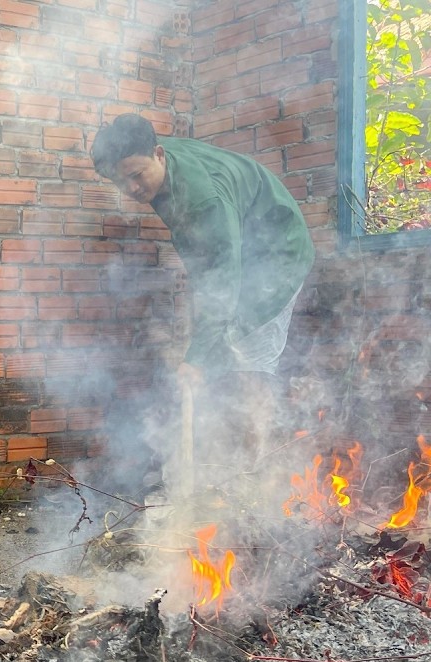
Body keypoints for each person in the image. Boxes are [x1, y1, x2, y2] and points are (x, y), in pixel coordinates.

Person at [91, 113, 316, 475]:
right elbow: (209, 265)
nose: (131, 189)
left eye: (135, 175)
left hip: (277, 256)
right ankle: (224, 464)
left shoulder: (202, 201)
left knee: (251, 359)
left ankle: (257, 477)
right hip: (239, 244)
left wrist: (195, 358)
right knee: (218, 351)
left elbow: (223, 285)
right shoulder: (156, 166)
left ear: (159, 154)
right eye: (121, 181)